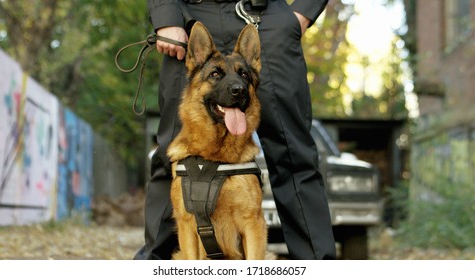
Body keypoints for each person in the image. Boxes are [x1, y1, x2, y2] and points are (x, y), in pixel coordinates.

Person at [134, 0, 336, 260]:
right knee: (172, 155)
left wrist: (300, 15)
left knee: (294, 155)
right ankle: (154, 266)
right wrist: (165, 14)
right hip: (190, 15)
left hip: (267, 18)